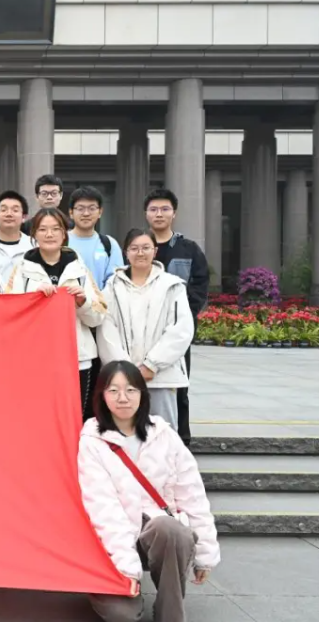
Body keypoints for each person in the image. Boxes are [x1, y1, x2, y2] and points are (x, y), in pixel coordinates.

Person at [78, 360, 219, 622]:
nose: (123, 398)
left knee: (170, 528)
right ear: (101, 396)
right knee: (122, 614)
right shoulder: (91, 442)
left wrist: (205, 555)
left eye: (131, 390)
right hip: (111, 544)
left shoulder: (164, 435)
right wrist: (128, 572)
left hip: (156, 534)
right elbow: (104, 510)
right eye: (113, 390)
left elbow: (193, 496)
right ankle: (120, 590)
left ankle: (170, 614)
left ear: (142, 394)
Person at [6, 208, 106, 416]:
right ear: (34, 234)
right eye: (42, 229)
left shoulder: (80, 270)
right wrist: (34, 298)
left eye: (55, 229)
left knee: (74, 419)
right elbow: (9, 313)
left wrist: (82, 303)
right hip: (34, 360)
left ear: (64, 233)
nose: (49, 234)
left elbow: (98, 317)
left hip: (77, 359)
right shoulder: (22, 269)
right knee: (38, 418)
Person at [97, 229, 195, 430]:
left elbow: (181, 329)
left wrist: (152, 365)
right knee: (122, 433)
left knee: (162, 434)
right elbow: (106, 328)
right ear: (126, 252)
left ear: (155, 251)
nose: (140, 253)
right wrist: (125, 370)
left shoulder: (172, 286)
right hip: (122, 380)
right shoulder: (112, 287)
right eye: (134, 248)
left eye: (145, 248)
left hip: (161, 377)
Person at [145, 189, 209, 445]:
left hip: (176, 332)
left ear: (174, 213)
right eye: (153, 209)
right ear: (146, 214)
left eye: (165, 209)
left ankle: (181, 441)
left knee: (178, 385)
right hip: (143, 329)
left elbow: (199, 286)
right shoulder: (140, 245)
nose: (159, 214)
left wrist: (182, 318)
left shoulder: (188, 249)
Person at [68, 186, 123, 291]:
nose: (86, 213)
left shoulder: (110, 244)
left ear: (100, 212)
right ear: (71, 213)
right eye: (80, 209)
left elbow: (116, 282)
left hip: (100, 300)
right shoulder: (61, 242)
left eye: (92, 208)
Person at [0, 189, 33, 282]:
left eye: (15, 210)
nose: (9, 214)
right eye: (3, 210)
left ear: (24, 217)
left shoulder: (33, 246)